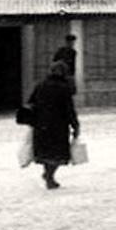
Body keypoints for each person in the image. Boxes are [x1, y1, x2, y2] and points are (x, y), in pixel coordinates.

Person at [27, 60, 80, 190]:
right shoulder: (64, 88)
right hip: (58, 125)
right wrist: (75, 125)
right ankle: (49, 176)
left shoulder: (40, 85)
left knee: (46, 153)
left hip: (41, 124)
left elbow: (31, 103)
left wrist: (31, 120)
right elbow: (69, 109)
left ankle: (48, 175)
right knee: (58, 154)